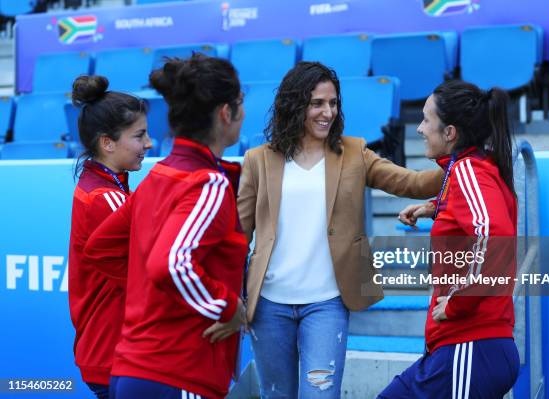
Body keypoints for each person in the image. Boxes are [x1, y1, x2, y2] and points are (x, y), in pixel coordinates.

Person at [237, 61, 444, 398]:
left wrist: (459, 156)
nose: (327, 112)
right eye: (317, 103)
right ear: (294, 104)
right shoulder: (258, 160)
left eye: (333, 103)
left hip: (327, 304)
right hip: (269, 305)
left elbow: (414, 183)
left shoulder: (353, 153)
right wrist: (234, 294)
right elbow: (238, 235)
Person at [83, 54, 248, 399]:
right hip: (179, 373)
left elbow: (103, 249)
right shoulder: (206, 183)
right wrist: (229, 307)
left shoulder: (158, 176)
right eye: (240, 103)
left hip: (132, 372)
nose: (244, 114)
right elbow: (171, 264)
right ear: (225, 113)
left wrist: (155, 299)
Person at [379, 80, 519, 398]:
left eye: (426, 120)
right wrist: (434, 209)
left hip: (470, 344)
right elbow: (477, 217)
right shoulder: (467, 169)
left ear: (450, 133)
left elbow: (494, 236)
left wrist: (458, 302)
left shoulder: (469, 170)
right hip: (465, 348)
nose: (419, 129)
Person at [68, 75, 152, 399]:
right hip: (113, 353)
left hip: (106, 352)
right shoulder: (105, 198)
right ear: (107, 142)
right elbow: (144, 275)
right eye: (140, 135)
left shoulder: (104, 188)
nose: (148, 144)